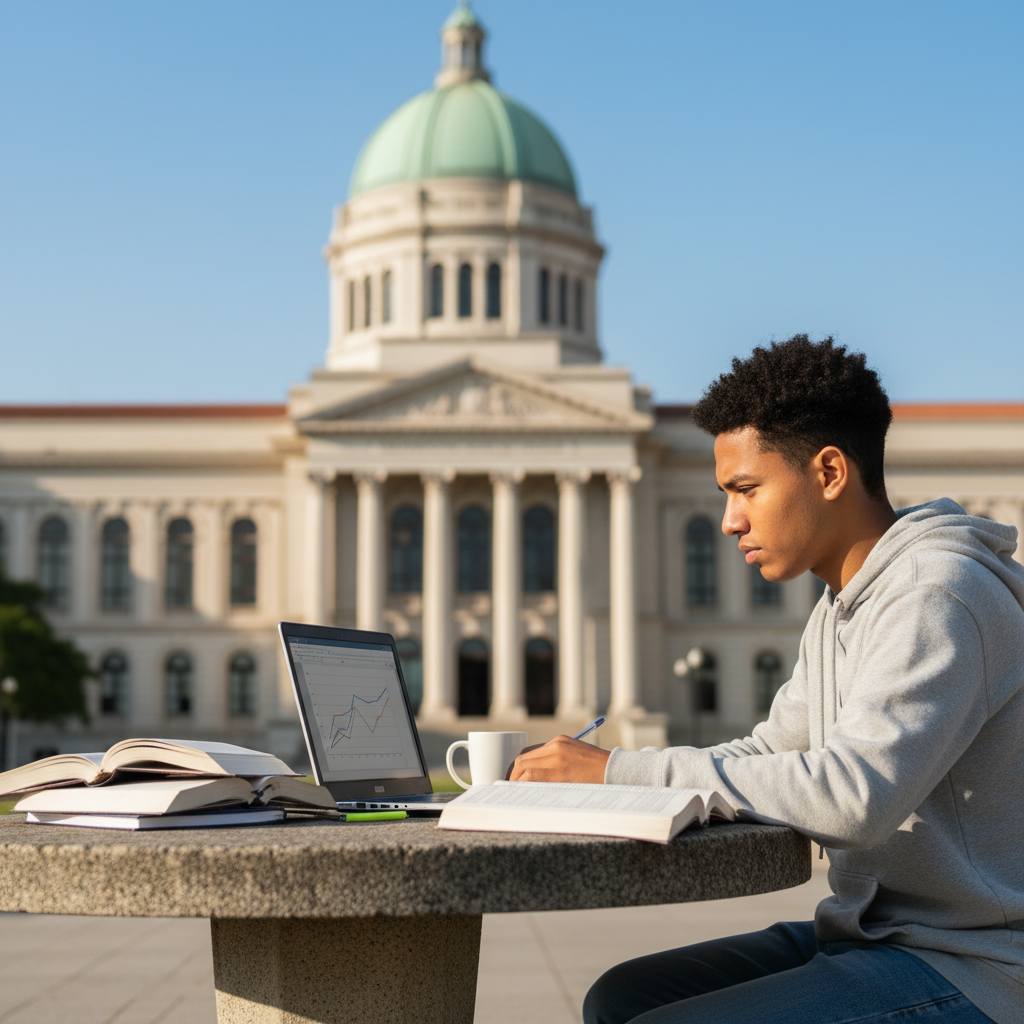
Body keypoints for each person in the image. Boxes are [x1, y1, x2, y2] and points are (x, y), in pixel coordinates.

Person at [509, 336, 1024, 1024]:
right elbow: (773, 750)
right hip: (875, 932)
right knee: (620, 998)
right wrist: (601, 778)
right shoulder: (843, 602)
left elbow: (853, 796)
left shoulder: (937, 593)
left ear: (830, 472)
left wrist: (618, 772)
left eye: (746, 489)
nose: (729, 521)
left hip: (974, 962)